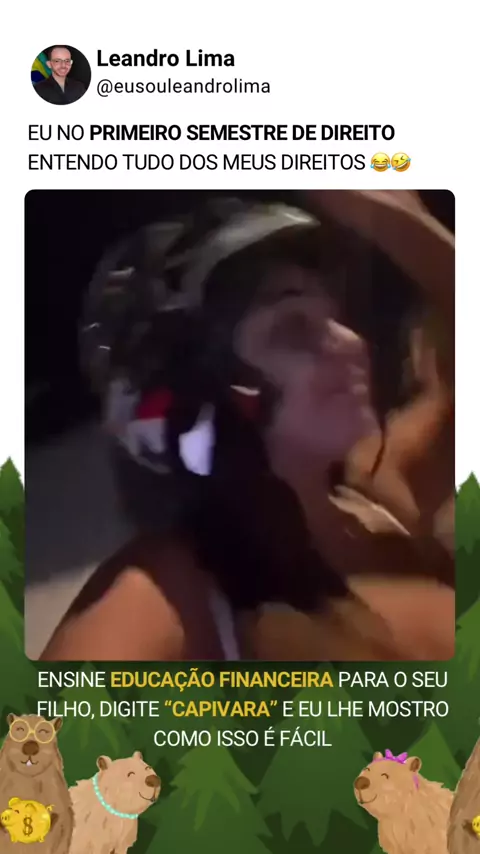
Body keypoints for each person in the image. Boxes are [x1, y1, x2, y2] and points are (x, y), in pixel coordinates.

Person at [41, 190, 455, 662]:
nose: (351, 342)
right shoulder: (170, 595)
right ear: (192, 399)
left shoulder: (379, 501)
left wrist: (394, 216)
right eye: (294, 328)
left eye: (334, 318)